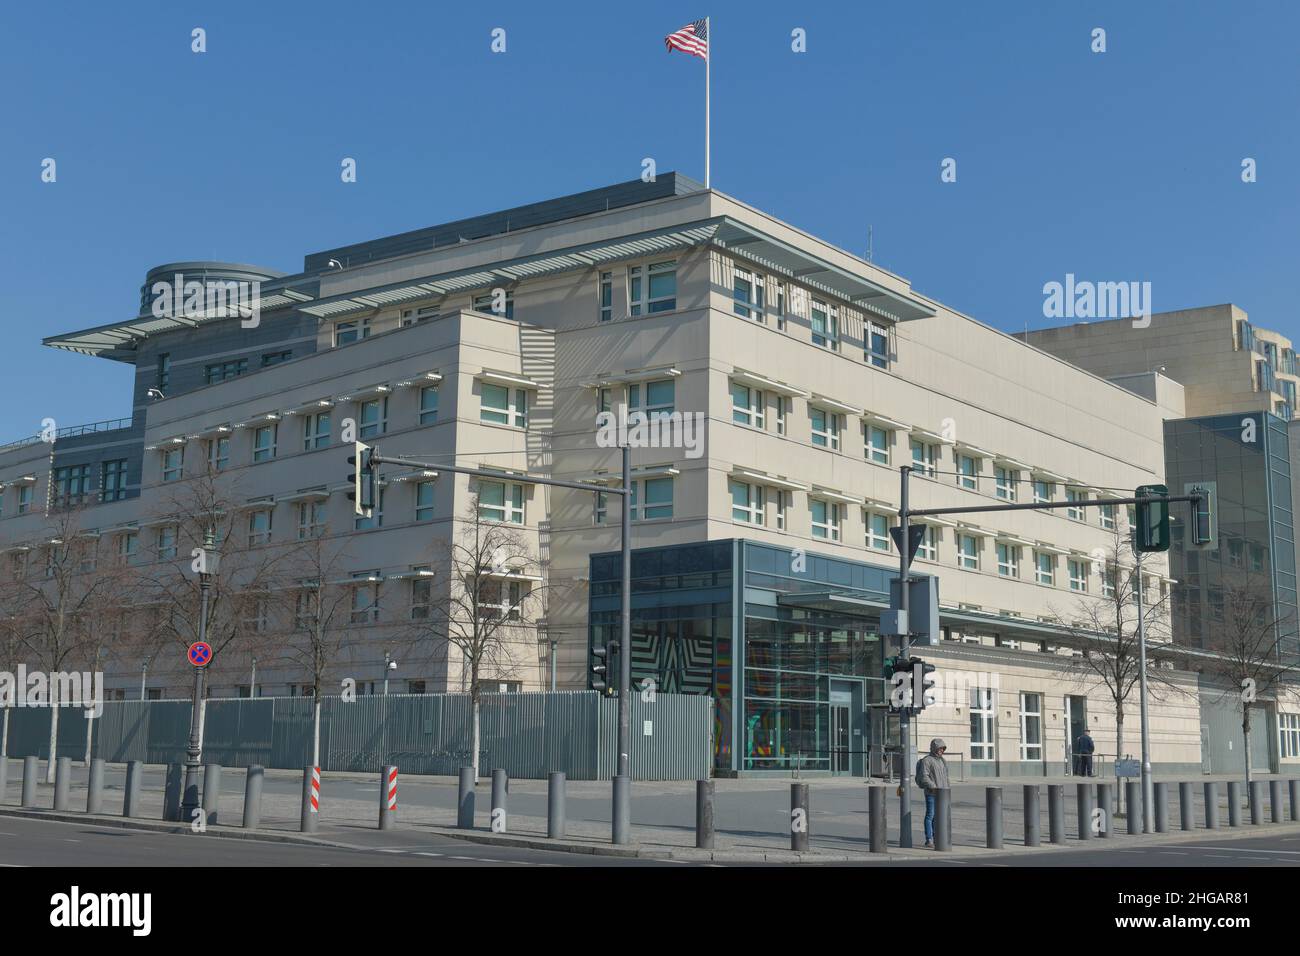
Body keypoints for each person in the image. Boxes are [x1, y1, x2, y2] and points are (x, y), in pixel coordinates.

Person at [915, 738, 950, 848]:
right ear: (934, 748)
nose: (941, 750)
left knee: (939, 817)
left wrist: (947, 789)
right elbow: (924, 776)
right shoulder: (927, 760)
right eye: (940, 748)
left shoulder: (942, 761)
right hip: (932, 793)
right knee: (930, 815)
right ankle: (929, 839)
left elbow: (946, 777)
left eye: (942, 748)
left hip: (942, 793)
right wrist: (933, 787)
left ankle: (937, 837)